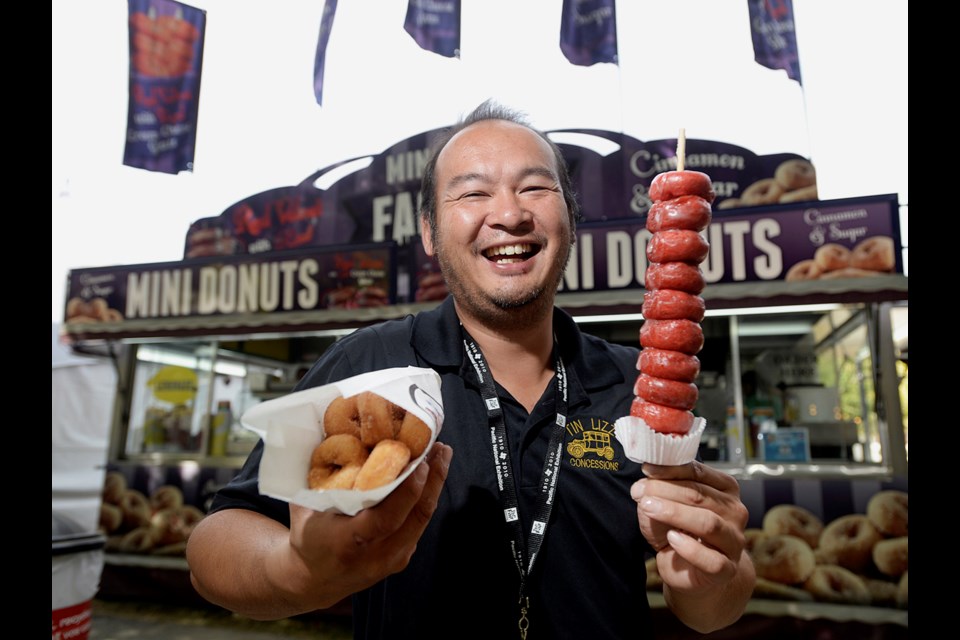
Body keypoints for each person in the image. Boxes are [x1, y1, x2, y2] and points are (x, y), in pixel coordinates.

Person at [186, 100, 756, 639]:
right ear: (430, 233)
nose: (508, 214)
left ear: (571, 221)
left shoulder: (640, 383)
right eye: (472, 193)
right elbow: (218, 541)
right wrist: (299, 573)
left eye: (535, 187)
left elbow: (710, 611)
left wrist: (715, 578)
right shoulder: (366, 365)